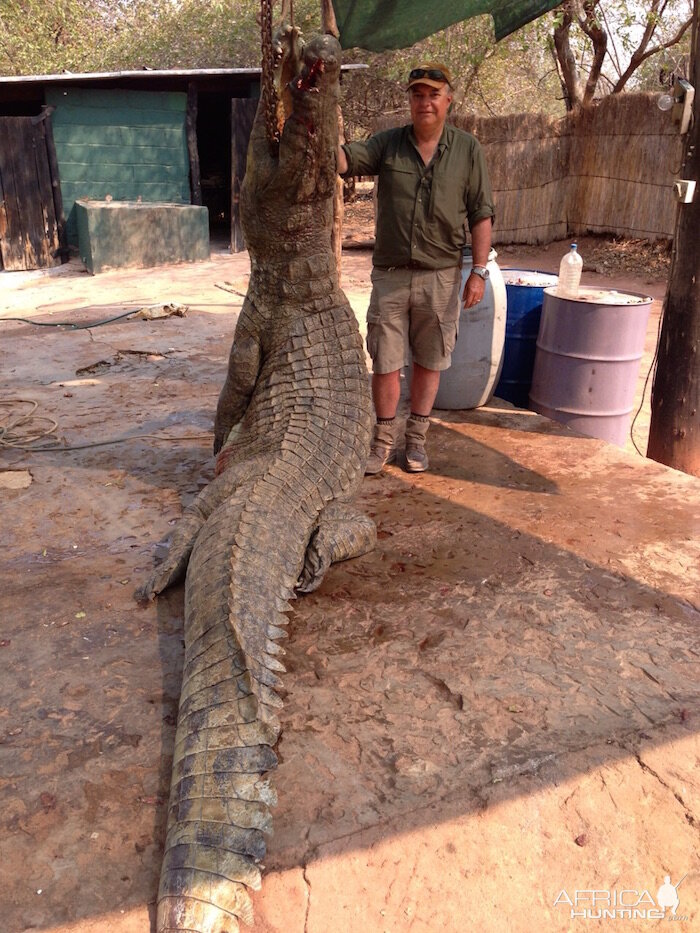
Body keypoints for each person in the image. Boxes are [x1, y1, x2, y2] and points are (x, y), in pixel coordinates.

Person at [337, 63, 495, 474]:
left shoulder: (467, 150)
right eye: (417, 95)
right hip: (390, 276)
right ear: (409, 100)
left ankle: (417, 442)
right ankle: (382, 441)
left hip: (442, 276)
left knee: (429, 361)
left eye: (432, 94)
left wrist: (478, 271)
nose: (424, 102)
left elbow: (480, 213)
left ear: (448, 99)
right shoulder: (389, 144)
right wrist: (315, 138)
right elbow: (346, 160)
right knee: (386, 362)